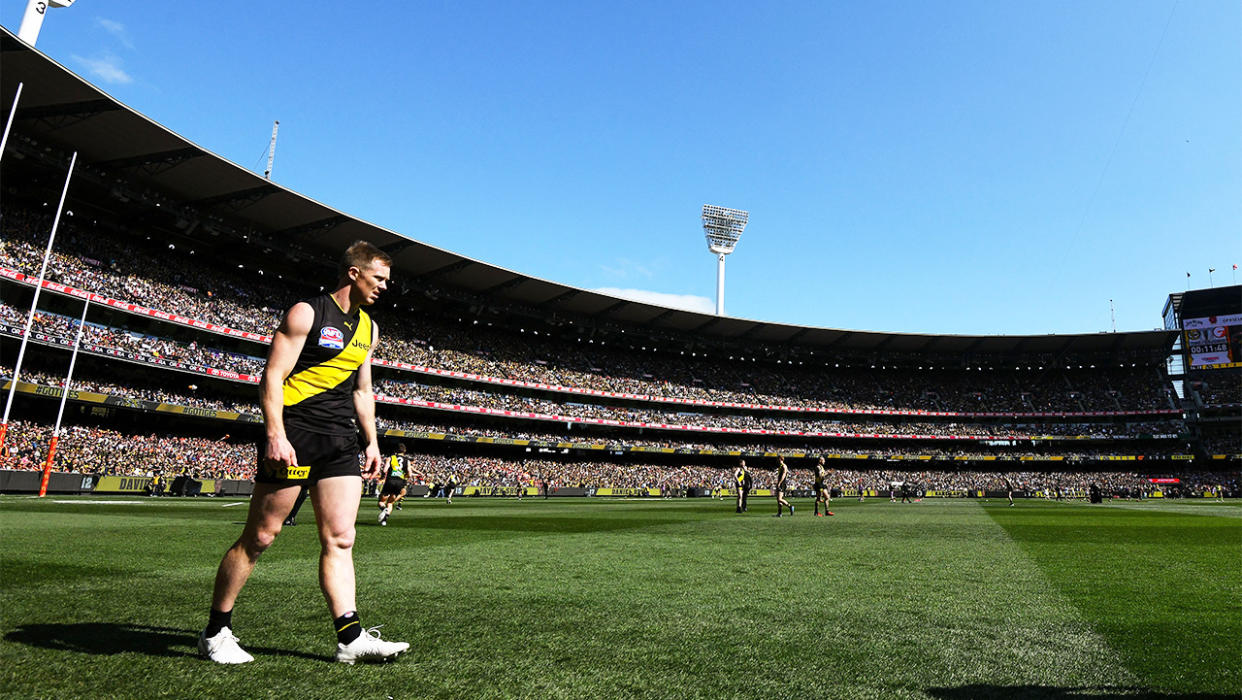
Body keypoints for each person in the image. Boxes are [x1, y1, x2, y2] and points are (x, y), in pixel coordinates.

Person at [199, 241, 408, 665]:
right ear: (354, 273)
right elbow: (271, 377)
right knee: (260, 536)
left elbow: (363, 391)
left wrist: (372, 441)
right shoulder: (307, 312)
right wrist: (275, 434)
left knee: (341, 538)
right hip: (296, 435)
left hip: (340, 441)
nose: (385, 287)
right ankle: (216, 632)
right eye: (379, 278)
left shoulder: (369, 328)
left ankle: (350, 639)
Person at [378, 443, 418, 526]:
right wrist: (403, 476)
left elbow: (385, 470)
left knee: (381, 501)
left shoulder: (391, 458)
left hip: (390, 480)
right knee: (390, 503)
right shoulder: (407, 461)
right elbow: (410, 474)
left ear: (395, 450)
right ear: (404, 451)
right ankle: (384, 521)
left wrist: (382, 476)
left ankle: (384, 509)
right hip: (400, 482)